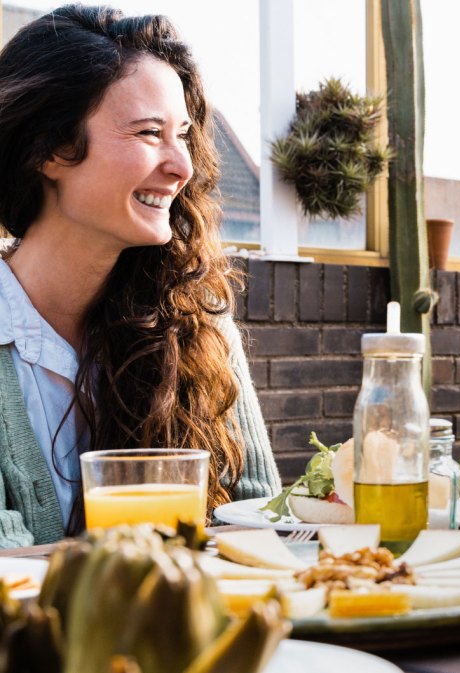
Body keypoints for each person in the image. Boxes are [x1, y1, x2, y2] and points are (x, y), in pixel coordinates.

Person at [0, 5, 280, 547]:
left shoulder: (197, 322)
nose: (183, 165)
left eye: (184, 135)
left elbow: (261, 522)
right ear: (51, 149)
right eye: (150, 133)